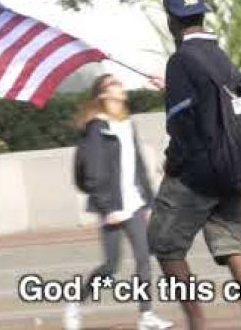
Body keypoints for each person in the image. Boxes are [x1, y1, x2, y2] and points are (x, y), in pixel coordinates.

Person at [146, 0, 241, 330]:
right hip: (232, 168)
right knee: (233, 246)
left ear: (171, 20)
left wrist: (174, 161)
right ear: (202, 13)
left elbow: (181, 124)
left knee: (165, 244)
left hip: (196, 174)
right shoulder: (221, 56)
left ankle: (198, 323)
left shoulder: (181, 60)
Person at [66, 74, 173, 330]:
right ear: (103, 94)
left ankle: (146, 316)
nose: (121, 87)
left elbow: (138, 167)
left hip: (135, 203)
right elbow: (93, 171)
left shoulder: (127, 123)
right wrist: (108, 207)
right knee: (111, 266)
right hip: (112, 205)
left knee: (144, 258)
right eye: (115, 84)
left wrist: (149, 202)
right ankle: (76, 303)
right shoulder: (96, 127)